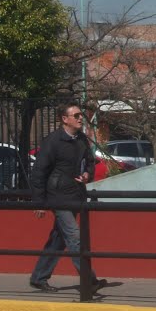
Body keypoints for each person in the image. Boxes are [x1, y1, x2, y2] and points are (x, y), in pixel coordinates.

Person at [29, 103, 108, 293]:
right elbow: (38, 172)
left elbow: (90, 162)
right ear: (65, 119)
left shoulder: (81, 139)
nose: (81, 118)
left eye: (81, 115)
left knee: (59, 238)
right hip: (58, 197)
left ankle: (38, 277)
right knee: (74, 237)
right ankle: (90, 281)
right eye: (76, 115)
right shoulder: (53, 141)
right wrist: (39, 202)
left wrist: (87, 174)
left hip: (75, 194)